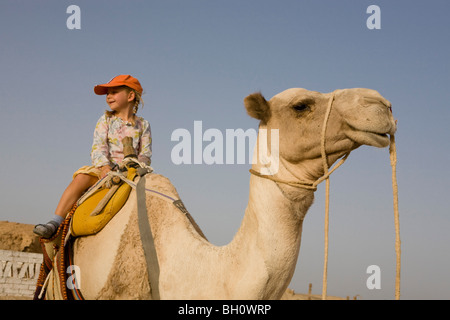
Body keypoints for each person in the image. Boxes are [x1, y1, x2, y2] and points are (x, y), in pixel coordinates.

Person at [33, 75, 152, 238]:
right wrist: (104, 166)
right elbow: (98, 146)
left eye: (114, 92)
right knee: (81, 178)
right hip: (105, 171)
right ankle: (55, 221)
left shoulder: (143, 125)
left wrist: (137, 167)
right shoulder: (106, 120)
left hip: (130, 173)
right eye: (108, 93)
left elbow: (145, 153)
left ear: (130, 96)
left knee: (153, 192)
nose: (109, 96)